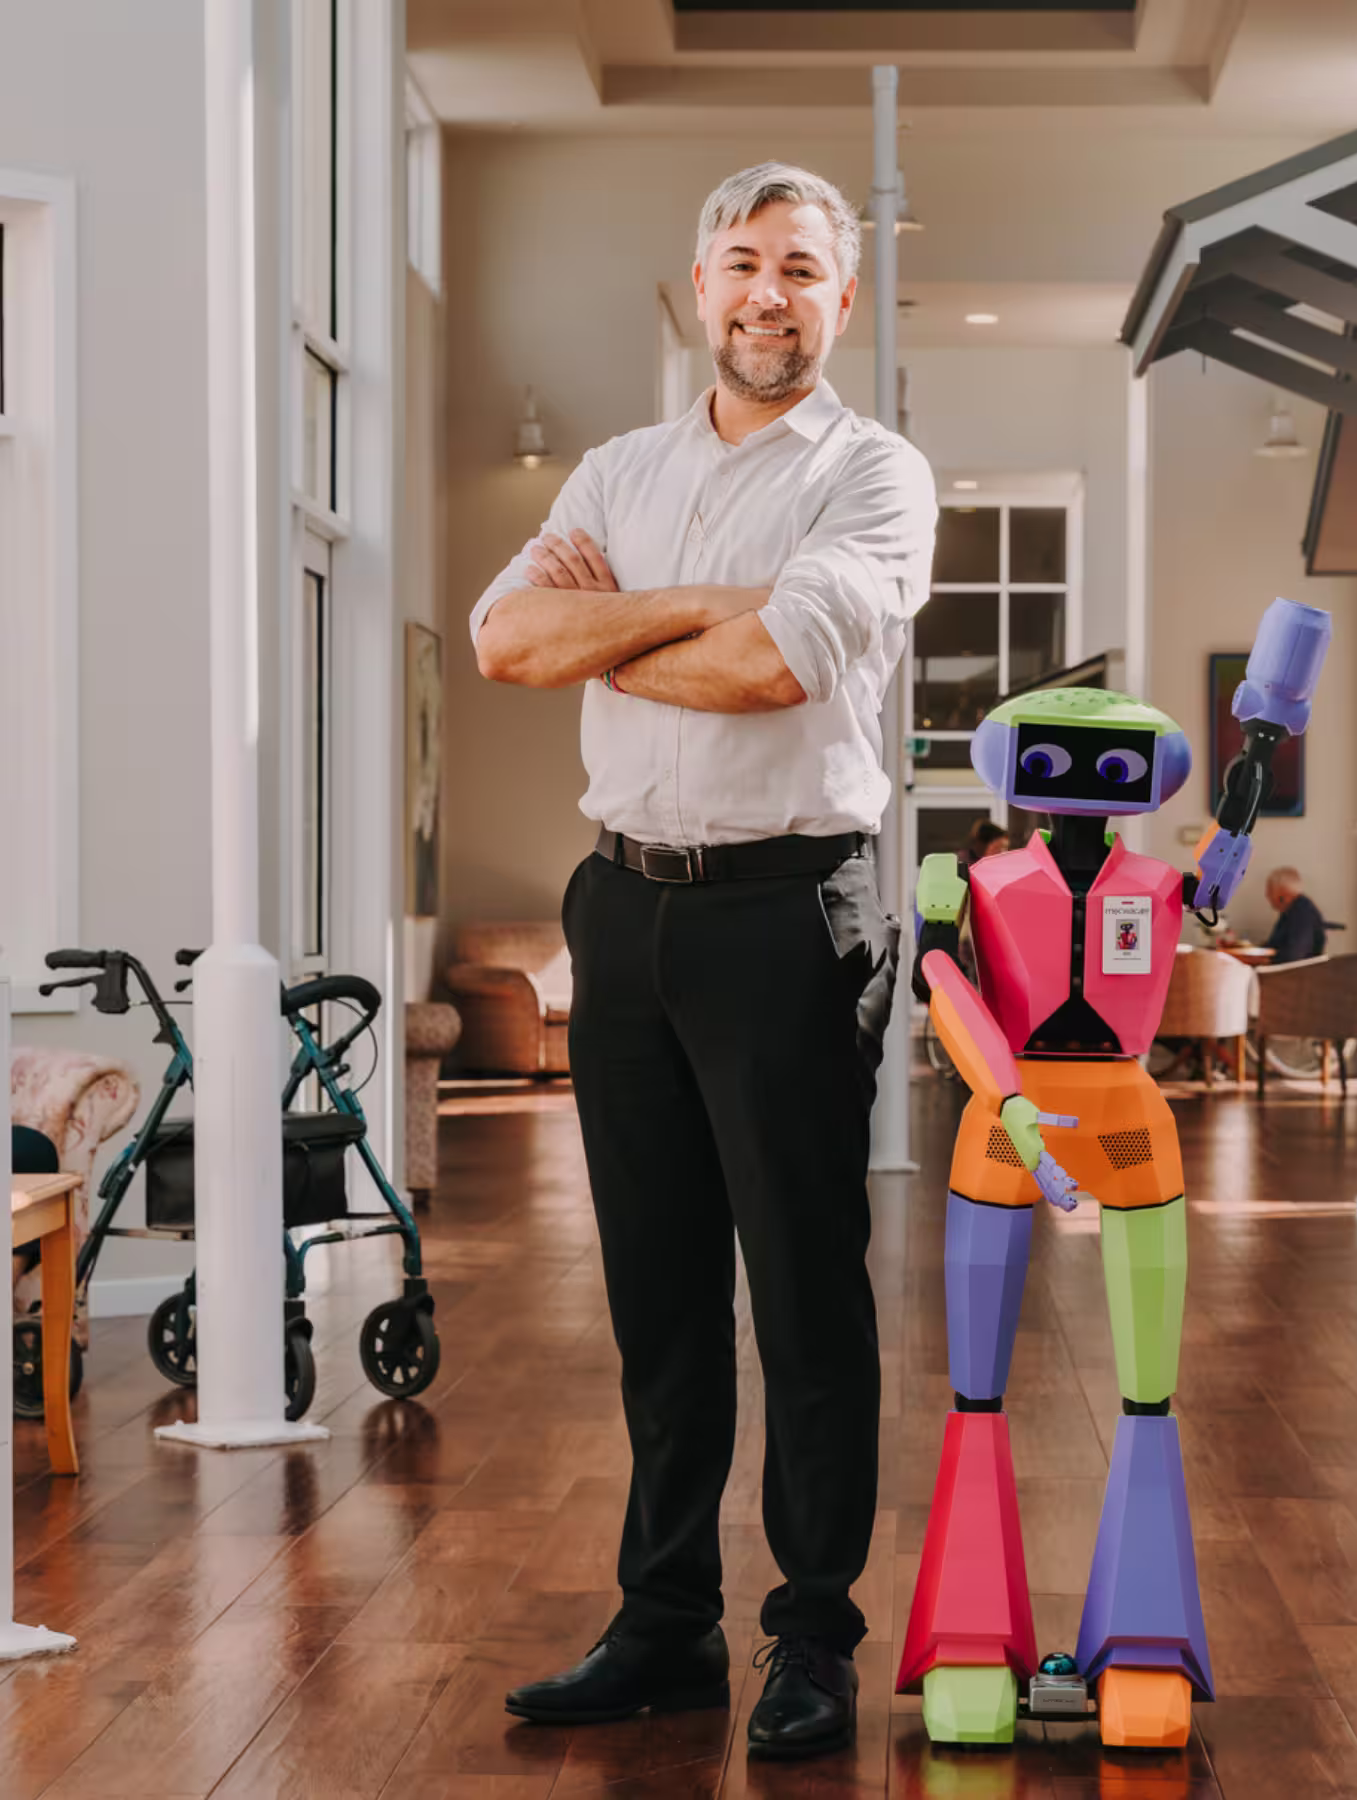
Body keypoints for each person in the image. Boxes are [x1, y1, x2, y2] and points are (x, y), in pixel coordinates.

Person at [472, 163, 937, 1760]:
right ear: (699, 281)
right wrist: (699, 608)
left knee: (804, 1287)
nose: (769, 296)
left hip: (792, 917)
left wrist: (625, 630)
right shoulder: (616, 467)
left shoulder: (875, 478)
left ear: (842, 299)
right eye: (744, 264)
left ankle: (809, 1632)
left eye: (802, 270)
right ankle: (665, 1622)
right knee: (659, 1289)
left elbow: (782, 667)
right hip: (624, 909)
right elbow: (504, 639)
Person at [1264, 865, 1327, 963]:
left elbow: (1294, 955)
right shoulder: (1290, 911)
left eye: (1270, 890)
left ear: (1282, 892)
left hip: (1298, 974)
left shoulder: (1302, 913)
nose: (1267, 895)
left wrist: (1265, 960)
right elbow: (1274, 945)